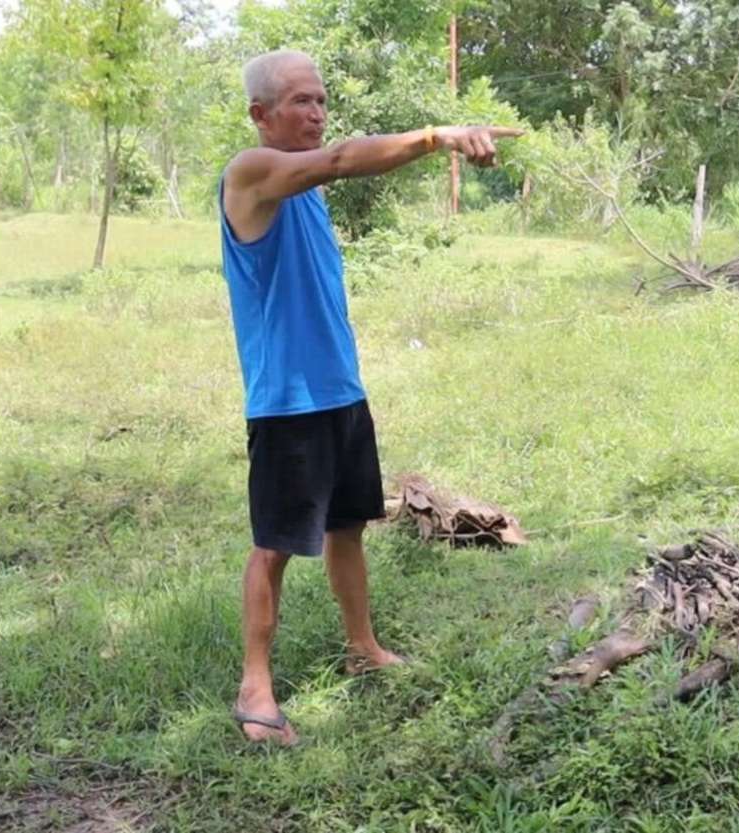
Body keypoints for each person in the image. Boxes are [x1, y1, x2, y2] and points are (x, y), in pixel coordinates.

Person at [220, 49, 523, 745]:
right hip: (287, 401)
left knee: (347, 526)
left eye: (321, 100)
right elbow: (336, 160)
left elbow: (330, 165)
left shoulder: (307, 189)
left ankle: (363, 645)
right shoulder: (252, 173)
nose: (317, 114)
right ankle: (255, 686)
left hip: (340, 390)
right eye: (300, 101)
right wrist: (432, 136)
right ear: (260, 115)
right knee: (274, 545)